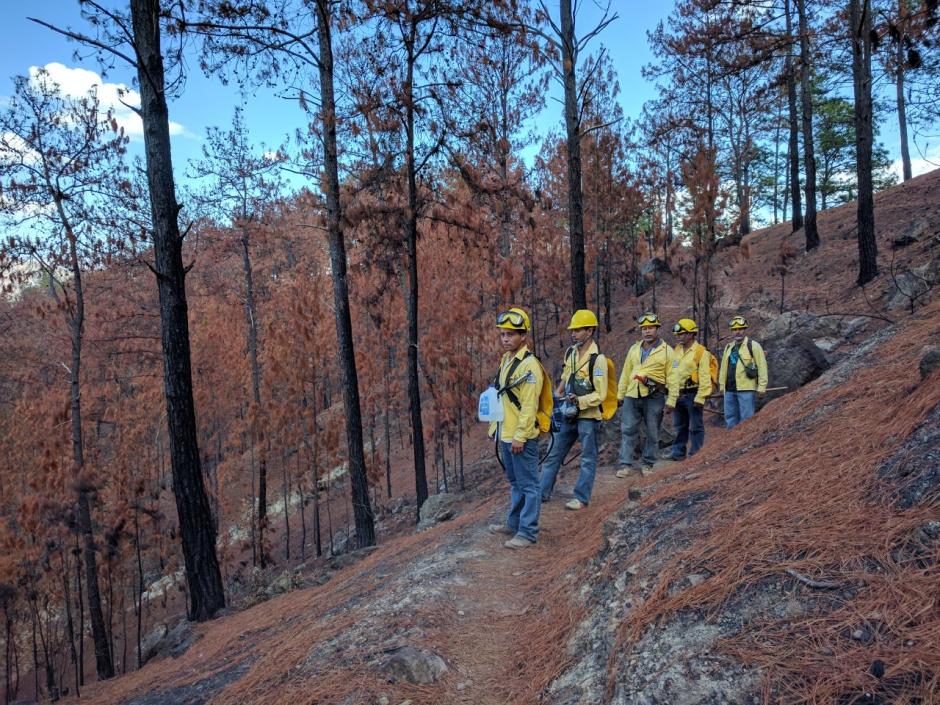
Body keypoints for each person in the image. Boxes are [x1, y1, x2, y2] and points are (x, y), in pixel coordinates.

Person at [539, 309, 609, 511]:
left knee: (588, 456)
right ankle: (542, 493)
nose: (574, 333)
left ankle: (581, 497)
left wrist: (580, 401)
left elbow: (601, 393)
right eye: (573, 330)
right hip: (568, 412)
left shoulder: (598, 360)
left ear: (590, 331)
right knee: (554, 452)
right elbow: (566, 375)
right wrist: (558, 394)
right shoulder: (571, 353)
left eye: (578, 330)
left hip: (587, 415)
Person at [487, 307, 545, 548]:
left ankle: (528, 532)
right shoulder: (507, 359)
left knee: (529, 484)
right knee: (515, 482)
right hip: (506, 433)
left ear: (524, 336)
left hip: (521, 437)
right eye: (502, 334)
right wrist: (495, 429)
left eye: (511, 334)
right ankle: (514, 523)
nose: (505, 339)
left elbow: (530, 405)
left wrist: (521, 436)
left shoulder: (529, 366)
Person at [616, 312, 674, 477]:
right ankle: (625, 464)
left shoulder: (667, 351)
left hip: (654, 395)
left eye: (651, 328)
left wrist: (672, 400)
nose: (647, 331)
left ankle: (648, 463)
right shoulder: (634, 349)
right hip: (632, 394)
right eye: (644, 329)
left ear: (657, 329)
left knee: (652, 431)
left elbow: (673, 377)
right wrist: (620, 395)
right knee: (628, 429)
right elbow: (626, 372)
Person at [664, 319, 714, 460]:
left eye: (682, 334)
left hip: (693, 393)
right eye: (678, 334)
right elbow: (672, 373)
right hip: (678, 394)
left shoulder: (701, 352)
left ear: (692, 334)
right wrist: (670, 394)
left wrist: (701, 397)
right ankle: (678, 452)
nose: (679, 336)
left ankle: (696, 454)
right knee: (680, 425)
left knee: (695, 426)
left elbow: (704, 376)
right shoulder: (676, 351)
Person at [719, 315, 769, 429]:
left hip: (746, 389)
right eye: (735, 330)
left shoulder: (753, 346)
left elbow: (762, 367)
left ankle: (745, 443)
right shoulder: (728, 347)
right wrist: (722, 386)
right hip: (729, 390)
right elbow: (723, 368)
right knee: (730, 418)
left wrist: (762, 387)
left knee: (746, 419)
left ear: (745, 330)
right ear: (732, 331)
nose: (737, 332)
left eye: (740, 329)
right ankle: (732, 443)